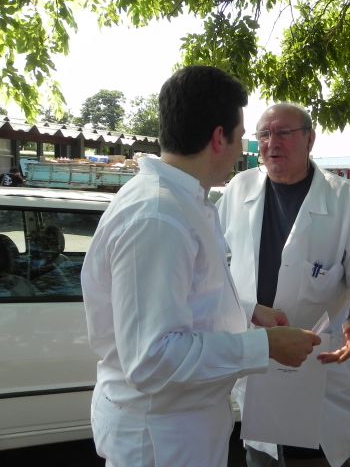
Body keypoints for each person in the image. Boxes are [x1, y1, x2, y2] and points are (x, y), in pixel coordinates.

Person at [81, 67, 320, 467]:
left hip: (182, 427)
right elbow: (153, 359)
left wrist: (248, 312)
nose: (243, 149)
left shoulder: (183, 202)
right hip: (162, 441)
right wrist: (265, 346)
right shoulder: (157, 216)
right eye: (241, 136)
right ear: (218, 138)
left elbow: (190, 297)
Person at [217, 103, 350, 467]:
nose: (272, 143)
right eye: (264, 134)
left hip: (325, 357)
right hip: (261, 353)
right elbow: (215, 263)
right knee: (265, 452)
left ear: (310, 139)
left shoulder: (344, 198)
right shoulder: (239, 189)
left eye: (283, 133)